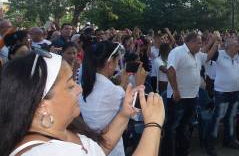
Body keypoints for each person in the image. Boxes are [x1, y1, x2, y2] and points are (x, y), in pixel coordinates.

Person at [0, 50, 164, 156]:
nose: (79, 89)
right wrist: (154, 126)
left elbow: (98, 151)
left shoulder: (63, 130)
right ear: (42, 104)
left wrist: (123, 114)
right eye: (70, 86)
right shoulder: (47, 153)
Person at [80, 41, 147, 156]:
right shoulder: (112, 90)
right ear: (110, 63)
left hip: (92, 145)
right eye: (116, 61)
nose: (117, 66)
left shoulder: (87, 83)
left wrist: (122, 83)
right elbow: (138, 115)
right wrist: (139, 85)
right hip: (111, 148)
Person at [162, 32, 218, 156]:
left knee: (185, 127)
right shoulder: (178, 52)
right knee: (172, 128)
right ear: (191, 42)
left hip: (192, 97)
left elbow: (208, 56)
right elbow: (170, 70)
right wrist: (176, 91)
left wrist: (215, 43)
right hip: (178, 98)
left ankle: (182, 152)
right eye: (199, 43)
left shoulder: (197, 55)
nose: (201, 45)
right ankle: (168, 153)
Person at [204, 37, 239, 156]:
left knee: (230, 117)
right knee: (217, 118)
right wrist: (214, 43)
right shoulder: (219, 54)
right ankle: (210, 145)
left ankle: (228, 140)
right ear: (229, 46)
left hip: (234, 91)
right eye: (236, 45)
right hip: (222, 92)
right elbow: (205, 55)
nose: (238, 47)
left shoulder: (236, 56)